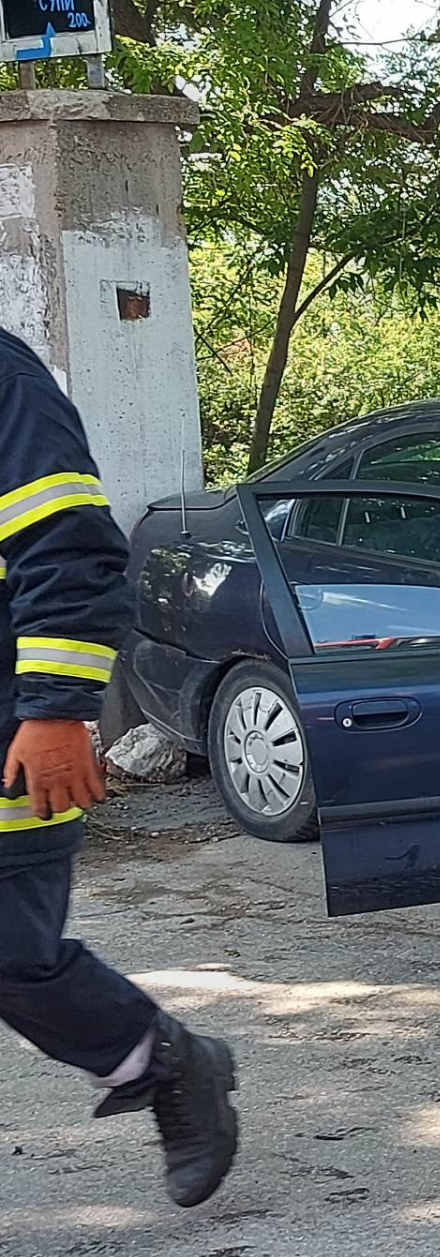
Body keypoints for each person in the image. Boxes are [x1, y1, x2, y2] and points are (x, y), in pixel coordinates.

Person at [0, 324, 239, 1207]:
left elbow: (70, 548)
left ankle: (162, 1060)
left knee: (10, 952)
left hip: (12, 731)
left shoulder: (1, 379)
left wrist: (58, 710)